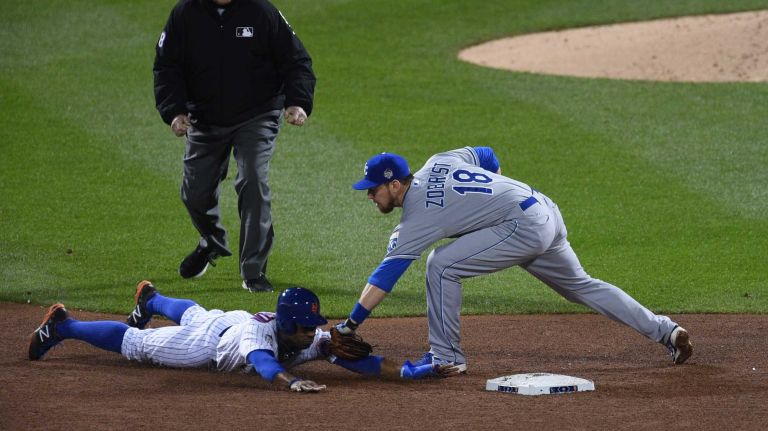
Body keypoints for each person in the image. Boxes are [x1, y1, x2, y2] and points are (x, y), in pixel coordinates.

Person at [333, 147, 694, 372]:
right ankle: (666, 330)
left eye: (373, 189)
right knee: (583, 286)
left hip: (523, 227)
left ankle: (446, 357)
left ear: (396, 185)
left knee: (440, 266)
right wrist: (493, 199)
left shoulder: (418, 215)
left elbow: (384, 278)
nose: (369, 196)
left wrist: (350, 325)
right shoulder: (439, 160)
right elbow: (487, 154)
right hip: (544, 209)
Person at [153, 0, 317, 292]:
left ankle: (253, 271)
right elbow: (167, 67)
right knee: (195, 193)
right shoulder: (184, 13)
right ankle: (212, 242)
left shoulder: (261, 11)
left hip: (258, 113)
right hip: (203, 117)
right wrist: (174, 110)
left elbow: (297, 61)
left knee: (252, 178)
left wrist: (298, 102)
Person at [28, 282, 458, 392]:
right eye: (306, 329)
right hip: (210, 346)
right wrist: (291, 381)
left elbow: (359, 361)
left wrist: (410, 371)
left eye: (314, 327)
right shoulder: (261, 334)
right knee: (137, 345)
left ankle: (153, 299)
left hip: (226, 320)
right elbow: (266, 364)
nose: (314, 335)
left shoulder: (309, 334)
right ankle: (62, 324)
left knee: (195, 312)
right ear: (286, 326)